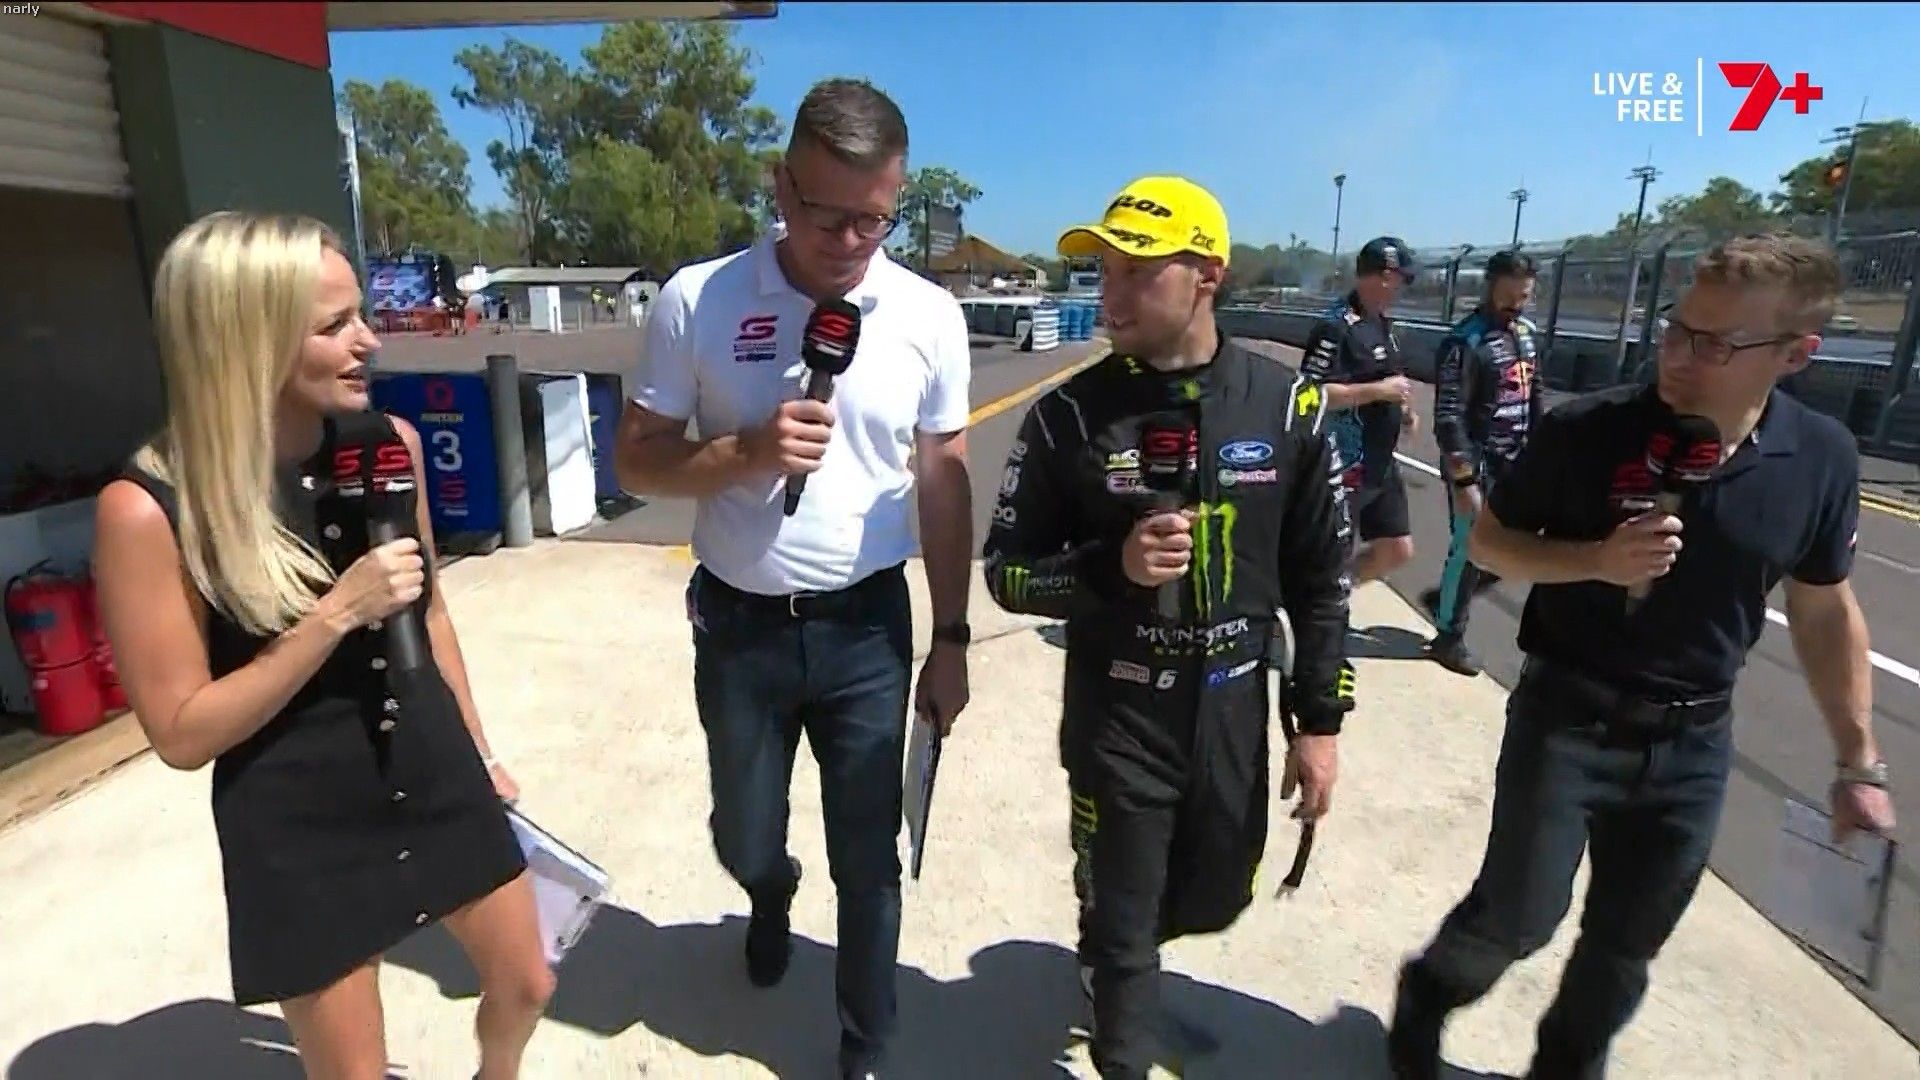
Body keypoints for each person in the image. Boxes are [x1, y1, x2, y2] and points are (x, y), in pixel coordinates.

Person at [1387, 232, 1897, 1079]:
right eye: (1677, 329)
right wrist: (1594, 560)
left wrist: (1860, 764)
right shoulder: (1590, 430)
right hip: (1567, 717)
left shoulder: (1820, 458)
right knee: (1521, 913)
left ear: (1796, 354)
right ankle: (1429, 994)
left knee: (1626, 944)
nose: (1679, 356)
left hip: (1692, 745)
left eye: (1715, 344)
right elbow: (1489, 542)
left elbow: (1822, 609)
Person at [92, 211, 552, 1080]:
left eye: (361, 314)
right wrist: (334, 616)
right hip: (296, 808)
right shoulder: (148, 509)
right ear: (249, 341)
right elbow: (183, 734)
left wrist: (479, 749)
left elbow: (431, 615)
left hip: (425, 756)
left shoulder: (390, 447)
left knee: (527, 981)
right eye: (334, 325)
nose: (368, 341)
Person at [611, 78, 973, 1080]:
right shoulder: (700, 298)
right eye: (826, 215)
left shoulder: (928, 314)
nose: (851, 242)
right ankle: (768, 890)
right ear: (781, 186)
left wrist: (951, 638)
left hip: (867, 631)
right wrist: (744, 453)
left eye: (875, 219)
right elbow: (635, 461)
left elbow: (944, 483)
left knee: (870, 856)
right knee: (743, 833)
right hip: (740, 630)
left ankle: (866, 1041)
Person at [982, 176, 1357, 1080]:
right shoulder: (1068, 416)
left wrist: (1318, 722)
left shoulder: (1288, 406)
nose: (1109, 293)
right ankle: (1119, 1011)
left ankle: (1122, 954)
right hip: (1119, 715)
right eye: (1104, 270)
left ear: (1208, 275)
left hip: (1231, 707)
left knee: (1216, 896)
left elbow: (1324, 582)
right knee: (1125, 935)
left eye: (1136, 272)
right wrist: (1111, 568)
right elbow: (1006, 573)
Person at [1418, 250, 1545, 676]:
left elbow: (1535, 397)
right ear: (1490, 287)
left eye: (1524, 296)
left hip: (1517, 462)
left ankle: (1446, 599)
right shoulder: (1464, 341)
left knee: (1520, 545)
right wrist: (1463, 479)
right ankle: (1448, 637)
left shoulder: (1527, 334)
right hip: (1477, 464)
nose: (1516, 305)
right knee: (1470, 550)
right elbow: (1448, 415)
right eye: (1509, 296)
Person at [1297, 236, 1421, 584]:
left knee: (1397, 548)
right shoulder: (1336, 326)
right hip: (1347, 463)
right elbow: (1310, 394)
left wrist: (1404, 409)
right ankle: (1321, 601)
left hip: (1380, 461)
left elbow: (1390, 376)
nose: (1403, 288)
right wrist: (1378, 391)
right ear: (1386, 276)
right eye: (1403, 279)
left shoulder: (1381, 323)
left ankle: (1336, 593)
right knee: (1331, 553)